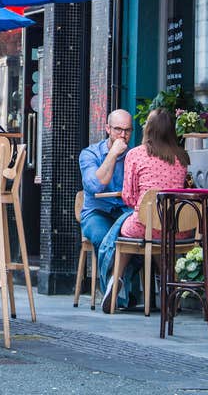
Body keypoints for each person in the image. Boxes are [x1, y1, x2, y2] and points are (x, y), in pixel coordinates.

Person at [97, 108, 190, 313]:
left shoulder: (135, 154)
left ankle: (115, 280)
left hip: (143, 224)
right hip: (175, 227)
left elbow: (129, 198)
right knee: (159, 236)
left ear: (148, 128)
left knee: (123, 231)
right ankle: (168, 286)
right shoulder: (182, 157)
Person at [79, 109, 136, 311]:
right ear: (107, 129)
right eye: (118, 129)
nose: (123, 135)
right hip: (97, 212)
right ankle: (117, 291)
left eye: (127, 130)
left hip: (124, 212)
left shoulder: (134, 155)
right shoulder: (90, 154)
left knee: (135, 238)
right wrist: (112, 154)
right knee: (104, 237)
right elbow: (95, 186)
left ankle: (115, 284)